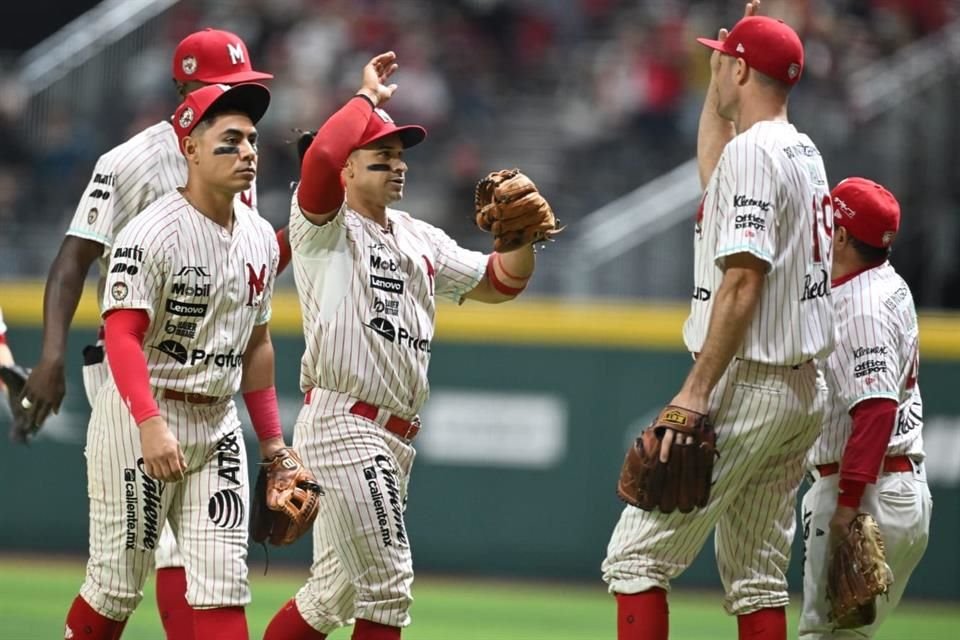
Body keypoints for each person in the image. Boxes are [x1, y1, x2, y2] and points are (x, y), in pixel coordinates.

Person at [263, 51, 544, 640]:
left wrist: (519, 237)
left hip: (396, 436)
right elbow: (318, 156)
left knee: (327, 599)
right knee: (389, 588)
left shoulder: (421, 235)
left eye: (400, 157)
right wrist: (364, 99)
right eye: (381, 157)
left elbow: (501, 282)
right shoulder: (324, 228)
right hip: (345, 422)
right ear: (347, 169)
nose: (397, 167)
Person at [19, 28, 286, 639]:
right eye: (226, 86)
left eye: (245, 88)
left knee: (216, 573)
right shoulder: (132, 163)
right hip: (136, 366)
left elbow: (242, 282)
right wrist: (52, 354)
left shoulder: (240, 172)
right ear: (184, 89)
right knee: (123, 575)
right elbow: (72, 261)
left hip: (212, 384)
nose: (238, 99)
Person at [602, 8, 836, 640]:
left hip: (751, 380)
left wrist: (696, 392)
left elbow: (742, 282)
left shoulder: (755, 154)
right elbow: (717, 176)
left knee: (635, 557)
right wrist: (717, 89)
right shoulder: (800, 150)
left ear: (739, 67)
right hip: (801, 390)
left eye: (722, 59)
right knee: (757, 576)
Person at [799, 178, 931, 639]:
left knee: (824, 635)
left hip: (866, 491)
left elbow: (875, 409)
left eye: (830, 220)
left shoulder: (862, 307)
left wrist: (847, 505)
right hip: (898, 487)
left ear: (840, 236)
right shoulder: (887, 282)